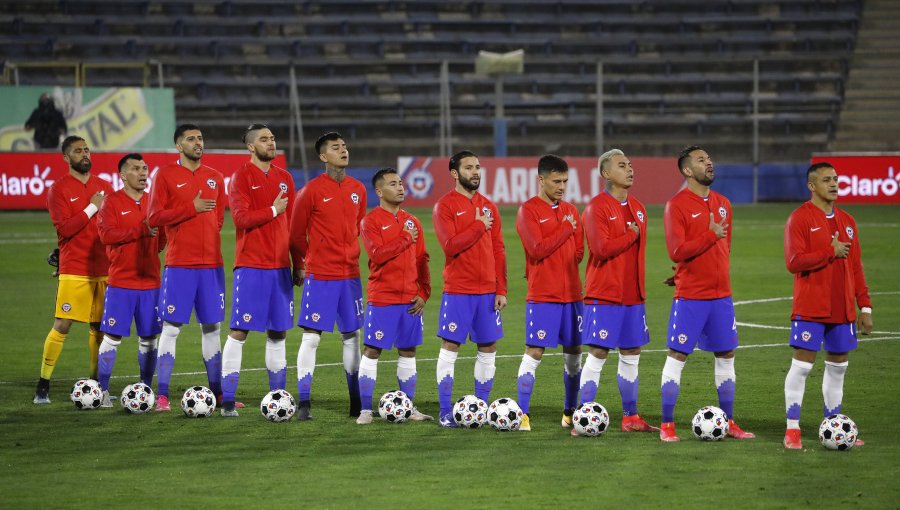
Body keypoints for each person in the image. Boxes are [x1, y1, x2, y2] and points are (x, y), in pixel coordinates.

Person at [658, 145, 755, 442]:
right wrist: (710, 235)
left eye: (710, 159)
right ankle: (667, 425)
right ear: (688, 170)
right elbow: (676, 250)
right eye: (701, 160)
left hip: (721, 296)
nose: (709, 163)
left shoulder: (724, 203)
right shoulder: (676, 205)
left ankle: (729, 421)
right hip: (691, 297)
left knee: (727, 354)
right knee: (678, 355)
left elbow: (726, 249)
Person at [782, 162, 873, 449]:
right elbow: (793, 262)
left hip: (842, 309)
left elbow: (856, 267)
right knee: (802, 368)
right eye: (826, 180)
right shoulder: (800, 218)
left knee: (838, 369)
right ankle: (792, 429)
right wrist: (828, 252)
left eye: (835, 179)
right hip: (811, 308)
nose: (833, 184)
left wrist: (865, 307)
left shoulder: (848, 220)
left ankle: (833, 426)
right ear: (812, 186)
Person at [148, 124, 231, 412]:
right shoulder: (165, 175)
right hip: (180, 265)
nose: (198, 143)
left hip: (211, 266)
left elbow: (218, 219)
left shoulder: (216, 177)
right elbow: (154, 216)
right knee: (171, 330)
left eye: (200, 138)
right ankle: (161, 395)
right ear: (179, 146)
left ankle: (218, 393)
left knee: (212, 329)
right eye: (191, 139)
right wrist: (190, 209)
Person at [578, 149, 657, 433]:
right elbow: (600, 249)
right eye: (622, 166)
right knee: (598, 351)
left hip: (633, 295)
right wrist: (630, 234)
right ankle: (582, 417)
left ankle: (630, 417)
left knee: (632, 352)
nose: (630, 169)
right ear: (606, 174)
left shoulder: (638, 207)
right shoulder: (596, 207)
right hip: (605, 293)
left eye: (630, 165)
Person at [219, 124, 296, 417]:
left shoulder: (285, 178)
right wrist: (273, 210)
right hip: (251, 266)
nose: (271, 142)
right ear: (251, 146)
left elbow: (292, 226)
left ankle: (279, 398)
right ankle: (227, 401)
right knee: (239, 331)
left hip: (280, 267)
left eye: (273, 138)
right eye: (264, 139)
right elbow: (240, 219)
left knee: (278, 332)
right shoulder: (241, 176)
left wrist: (298, 263)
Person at [289, 132, 366, 420]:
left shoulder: (358, 188)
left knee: (352, 337)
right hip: (321, 275)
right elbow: (296, 235)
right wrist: (309, 260)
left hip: (350, 276)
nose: (343, 150)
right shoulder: (309, 191)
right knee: (311, 338)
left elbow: (359, 228)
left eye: (344, 146)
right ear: (323, 156)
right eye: (336, 148)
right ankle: (304, 403)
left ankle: (356, 402)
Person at [33, 135, 113, 404]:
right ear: (66, 158)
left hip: (104, 267)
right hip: (75, 268)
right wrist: (92, 206)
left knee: (99, 328)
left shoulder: (104, 186)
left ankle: (97, 384)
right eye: (78, 151)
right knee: (63, 324)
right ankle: (43, 383)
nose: (84, 154)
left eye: (87, 150)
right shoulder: (58, 189)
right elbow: (65, 228)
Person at [433, 150, 508, 428]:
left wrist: (501, 288)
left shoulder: (489, 206)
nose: (476, 172)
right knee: (450, 346)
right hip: (459, 290)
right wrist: (478, 226)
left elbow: (499, 249)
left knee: (488, 347)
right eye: (469, 167)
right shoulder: (445, 206)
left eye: (478, 167)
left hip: (488, 291)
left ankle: (482, 407)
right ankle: (444, 411)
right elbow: (450, 245)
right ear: (455, 173)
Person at [356, 168, 433, 424]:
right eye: (393, 184)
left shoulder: (413, 221)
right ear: (379, 191)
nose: (400, 188)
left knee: (408, 352)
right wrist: (403, 238)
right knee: (372, 350)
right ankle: (366, 410)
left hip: (410, 300)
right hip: (383, 298)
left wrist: (424, 291)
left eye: (401, 183)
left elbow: (422, 259)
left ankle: (408, 408)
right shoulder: (371, 221)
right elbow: (377, 254)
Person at [513, 155, 583, 432]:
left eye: (565, 181)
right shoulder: (528, 211)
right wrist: (565, 229)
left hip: (573, 296)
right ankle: (523, 414)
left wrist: (568, 234)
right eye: (556, 181)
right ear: (541, 180)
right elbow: (537, 249)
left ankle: (570, 412)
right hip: (543, 295)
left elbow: (578, 252)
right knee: (535, 351)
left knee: (575, 352)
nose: (562, 186)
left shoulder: (572, 210)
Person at [95, 154, 165, 405]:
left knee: (149, 339)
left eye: (145, 168)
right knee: (112, 337)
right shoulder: (111, 202)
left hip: (151, 283)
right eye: (136, 169)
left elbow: (163, 238)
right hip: (121, 283)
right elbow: (106, 235)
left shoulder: (154, 201)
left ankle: (146, 389)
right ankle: (103, 391)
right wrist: (141, 231)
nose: (143, 172)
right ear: (123, 175)